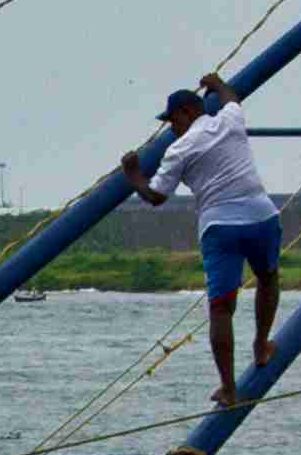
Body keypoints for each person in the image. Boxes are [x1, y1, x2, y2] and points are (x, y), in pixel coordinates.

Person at [121, 73, 283, 392]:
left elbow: (156, 197)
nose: (172, 128)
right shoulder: (230, 120)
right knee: (268, 277)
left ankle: (228, 387)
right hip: (261, 217)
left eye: (172, 120)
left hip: (220, 227)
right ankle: (261, 345)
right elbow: (231, 97)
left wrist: (133, 174)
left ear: (185, 112)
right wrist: (217, 82)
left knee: (221, 307)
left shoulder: (179, 150)